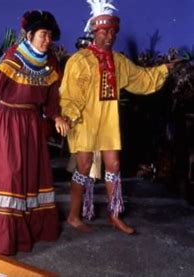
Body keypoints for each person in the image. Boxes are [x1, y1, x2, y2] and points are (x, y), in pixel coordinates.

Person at [60, 0, 175, 234]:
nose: (110, 36)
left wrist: (164, 69)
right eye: (105, 32)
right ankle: (74, 215)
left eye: (113, 32)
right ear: (95, 32)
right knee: (83, 166)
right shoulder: (79, 61)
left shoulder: (118, 61)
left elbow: (141, 79)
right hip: (85, 120)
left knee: (114, 164)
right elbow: (69, 93)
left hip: (108, 121)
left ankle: (115, 215)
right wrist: (69, 116)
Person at [0, 10, 69, 255]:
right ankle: (4, 236)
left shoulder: (50, 65)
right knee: (11, 175)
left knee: (32, 175)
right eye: (43, 35)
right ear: (30, 35)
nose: (47, 40)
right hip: (7, 123)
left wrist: (56, 116)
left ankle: (33, 227)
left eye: (50, 36)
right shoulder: (13, 58)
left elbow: (51, 100)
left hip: (32, 125)